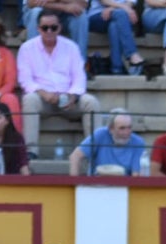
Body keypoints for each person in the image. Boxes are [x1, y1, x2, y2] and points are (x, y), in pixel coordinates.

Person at [18, 11, 101, 159]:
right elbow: (25, 80)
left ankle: (96, 152)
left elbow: (79, 76)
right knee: (29, 99)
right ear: (38, 29)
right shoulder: (27, 48)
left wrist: (73, 96)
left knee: (91, 102)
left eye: (53, 27)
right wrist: (43, 93)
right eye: (45, 28)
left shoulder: (71, 47)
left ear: (60, 28)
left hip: (68, 99)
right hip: (42, 99)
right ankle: (30, 152)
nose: (49, 31)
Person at [70, 109, 147, 176]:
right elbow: (75, 156)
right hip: (96, 186)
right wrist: (75, 186)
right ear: (111, 129)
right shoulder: (100, 135)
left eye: (129, 127)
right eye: (122, 128)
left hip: (124, 187)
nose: (127, 132)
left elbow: (135, 174)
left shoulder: (138, 142)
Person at [88, 0, 147, 76]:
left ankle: (117, 69)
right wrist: (123, 7)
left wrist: (114, 8)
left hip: (120, 16)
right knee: (121, 14)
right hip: (97, 15)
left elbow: (131, 2)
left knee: (114, 26)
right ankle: (132, 54)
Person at [23, 0, 90, 57]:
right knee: (36, 11)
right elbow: (32, 2)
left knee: (81, 16)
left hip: (65, 16)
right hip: (39, 13)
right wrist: (64, 7)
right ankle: (34, 61)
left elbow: (83, 4)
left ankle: (80, 65)